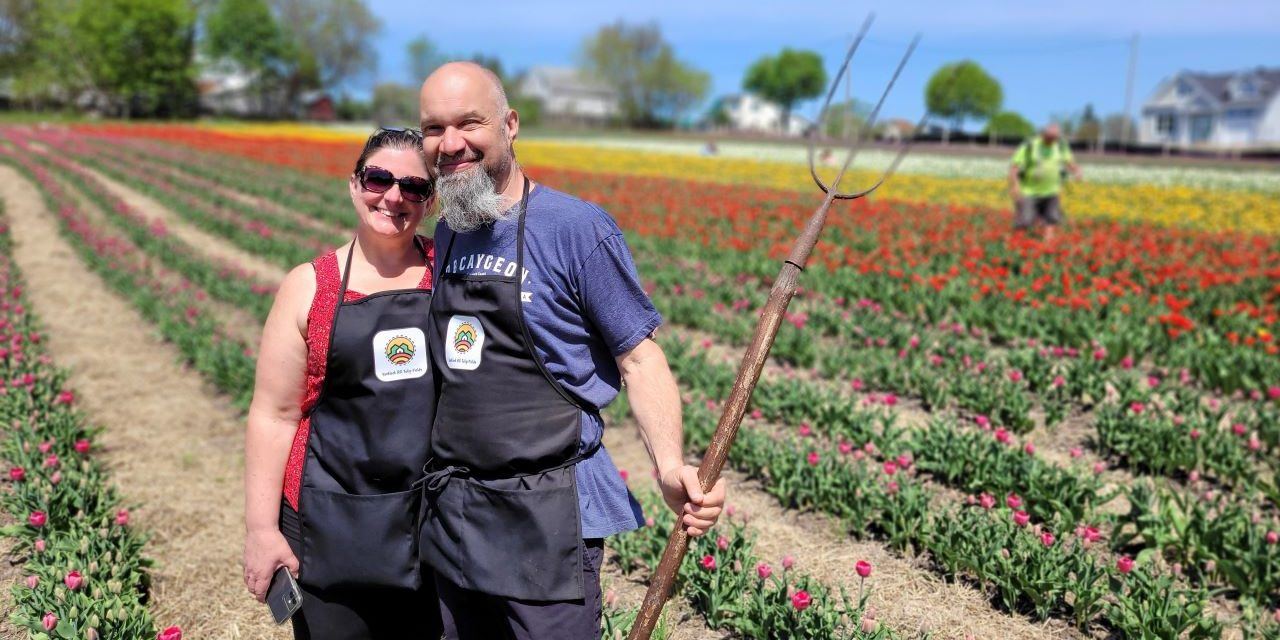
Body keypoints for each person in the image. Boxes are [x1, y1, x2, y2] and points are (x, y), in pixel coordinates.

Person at [417, 61, 727, 639]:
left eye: (469, 123)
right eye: (434, 129)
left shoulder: (577, 228)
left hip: (549, 510)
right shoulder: (450, 228)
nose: (450, 144)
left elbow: (640, 357)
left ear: (510, 124)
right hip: (457, 504)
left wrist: (669, 465)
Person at [242, 128, 443, 639]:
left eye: (414, 187)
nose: (393, 196)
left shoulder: (450, 278)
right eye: (379, 179)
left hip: (431, 523)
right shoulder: (310, 286)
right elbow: (275, 414)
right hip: (327, 519)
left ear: (430, 200)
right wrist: (261, 530)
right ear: (355, 185)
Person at [1008, 123, 1083, 242]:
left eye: (1055, 138)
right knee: (1025, 220)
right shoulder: (1030, 146)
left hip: (1052, 190)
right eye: (1050, 137)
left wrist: (1076, 170)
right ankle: (1017, 244)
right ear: (1043, 134)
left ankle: (1047, 246)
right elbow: (1014, 166)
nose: (1052, 140)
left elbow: (1068, 161)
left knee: (1051, 218)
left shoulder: (1060, 146)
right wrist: (1015, 185)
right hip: (1029, 190)